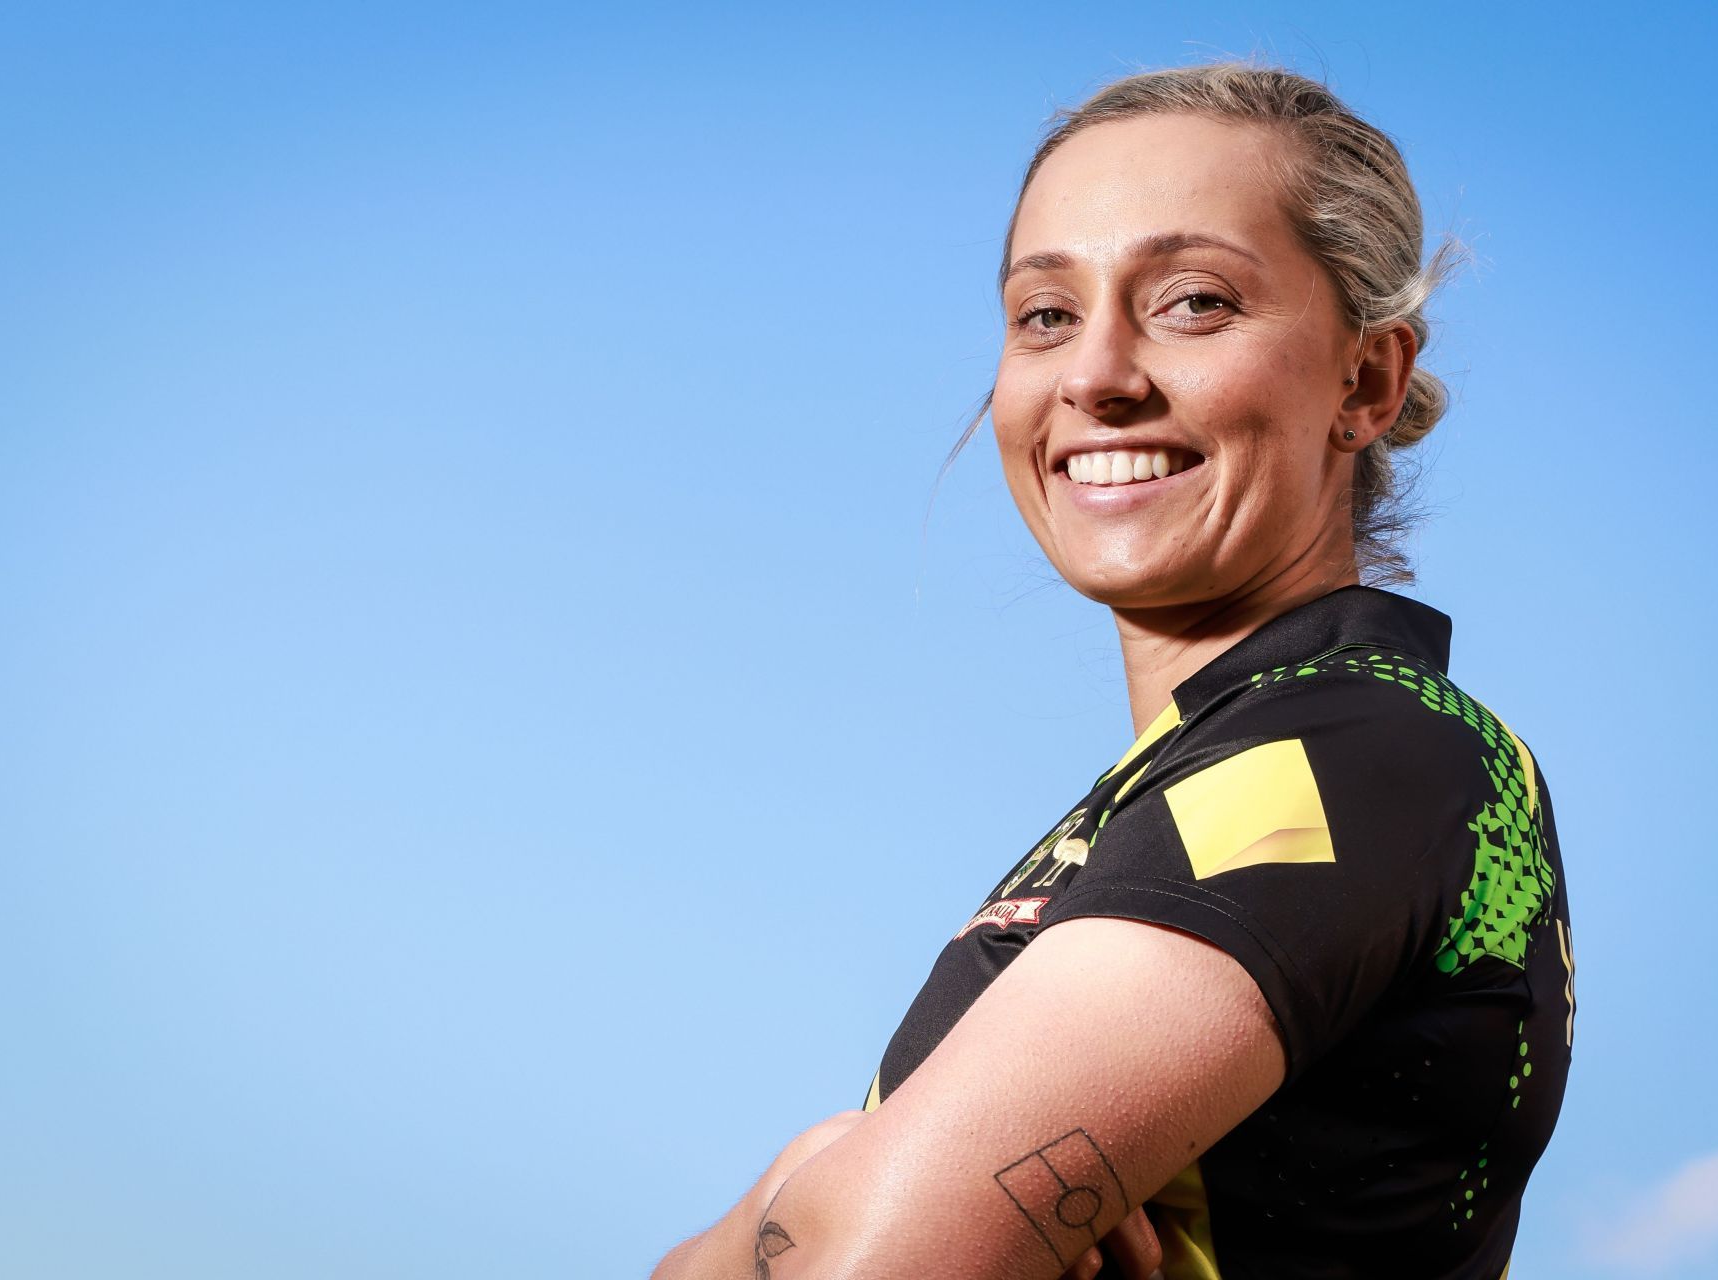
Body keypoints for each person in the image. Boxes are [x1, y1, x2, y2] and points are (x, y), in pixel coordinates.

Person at [653, 59, 1574, 1280]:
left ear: (1366, 380)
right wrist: (810, 1179)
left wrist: (826, 1182)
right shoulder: (1189, 780)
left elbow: (870, 1259)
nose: (1096, 375)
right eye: (1045, 314)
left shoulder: (1354, 752)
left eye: (1193, 301)